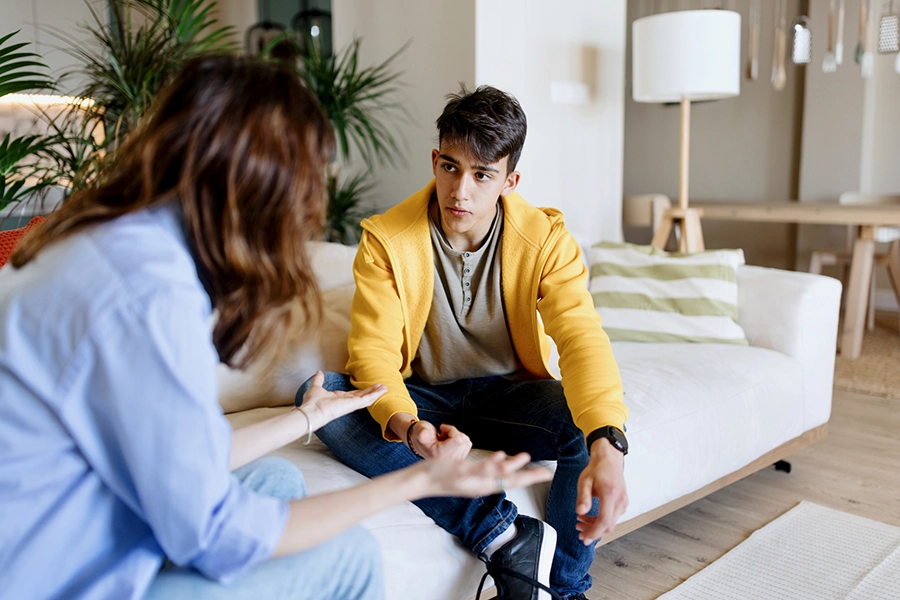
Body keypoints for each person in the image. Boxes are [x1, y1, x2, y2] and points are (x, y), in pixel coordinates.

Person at [0, 57, 552, 600]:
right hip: (51, 572)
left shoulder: (117, 240)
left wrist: (306, 416)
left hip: (79, 514)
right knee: (351, 558)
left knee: (278, 482)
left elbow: (181, 449)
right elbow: (214, 531)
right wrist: (419, 480)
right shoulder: (148, 293)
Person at [299, 85, 630, 600]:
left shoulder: (546, 241)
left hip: (508, 398)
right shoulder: (386, 240)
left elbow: (581, 337)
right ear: (434, 159)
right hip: (425, 401)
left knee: (582, 422)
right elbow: (374, 352)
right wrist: (409, 428)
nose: (461, 192)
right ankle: (502, 534)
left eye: (482, 175)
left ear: (510, 180)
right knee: (321, 400)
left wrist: (608, 442)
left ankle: (562, 591)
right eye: (451, 167)